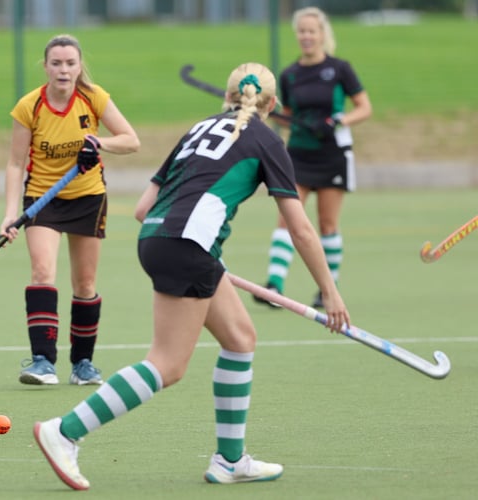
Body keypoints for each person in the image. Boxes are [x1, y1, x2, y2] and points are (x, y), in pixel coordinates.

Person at [32, 62, 351, 490]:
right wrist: (330, 291)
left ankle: (230, 461)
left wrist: (204, 257)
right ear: (272, 104)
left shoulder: (199, 129)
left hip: (160, 238)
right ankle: (65, 431)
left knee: (240, 339)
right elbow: (300, 228)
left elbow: (145, 207)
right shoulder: (267, 139)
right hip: (187, 247)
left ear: (228, 95)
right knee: (167, 364)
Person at [0, 34, 139, 386]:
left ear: (79, 67)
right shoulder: (29, 106)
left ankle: (83, 364)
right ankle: (43, 362)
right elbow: (16, 164)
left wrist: (99, 142)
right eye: (57, 63)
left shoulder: (93, 98)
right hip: (42, 200)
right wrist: (9, 212)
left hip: (88, 197)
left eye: (70, 63)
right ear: (45, 66)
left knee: (85, 282)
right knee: (43, 271)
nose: (63, 70)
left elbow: (130, 140)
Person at [254, 6, 372, 309]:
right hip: (298, 154)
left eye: (311, 31)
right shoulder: (290, 74)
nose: (306, 36)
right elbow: (289, 117)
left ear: (322, 34)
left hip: (332, 152)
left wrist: (338, 121)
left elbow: (363, 107)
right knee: (287, 218)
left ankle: (328, 289)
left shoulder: (340, 68)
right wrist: (267, 112)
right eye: (302, 31)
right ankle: (274, 286)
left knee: (327, 223)